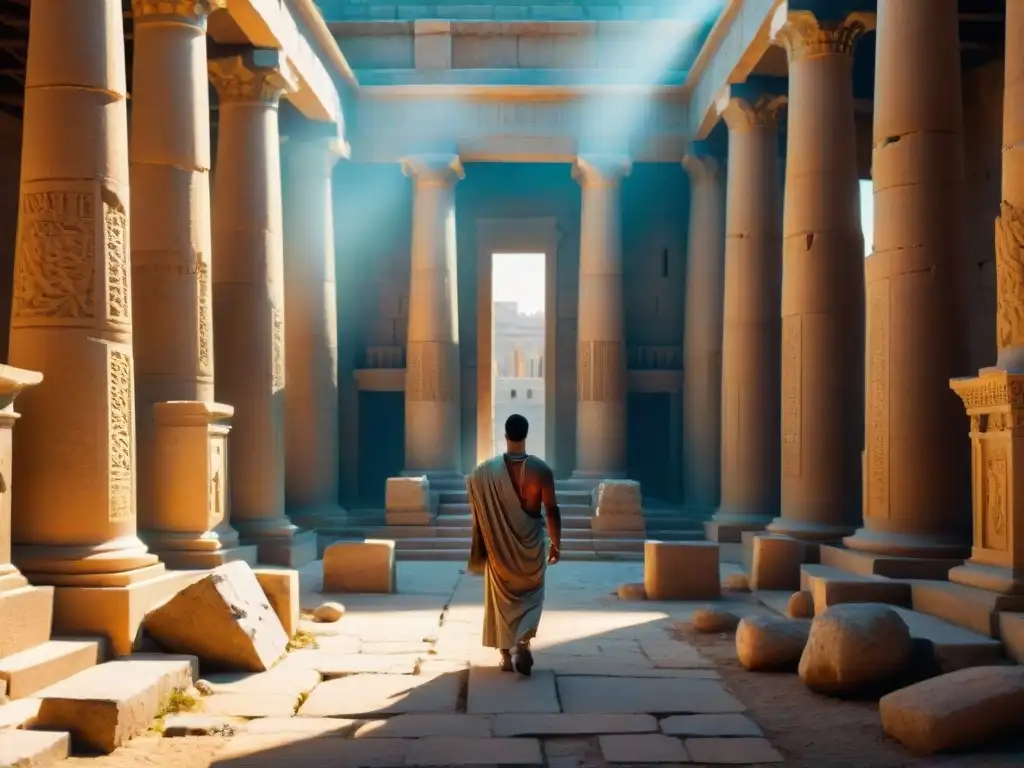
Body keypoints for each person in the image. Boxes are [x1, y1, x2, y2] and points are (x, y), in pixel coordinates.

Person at [466, 413, 562, 676]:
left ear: (506, 435)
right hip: (531, 548)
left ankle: (506, 656)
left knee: (503, 599)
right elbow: (552, 510)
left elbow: (479, 511)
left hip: (499, 550)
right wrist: (556, 544)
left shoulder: (482, 473)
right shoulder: (541, 471)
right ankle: (522, 641)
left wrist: (483, 540)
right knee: (531, 596)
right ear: (526, 434)